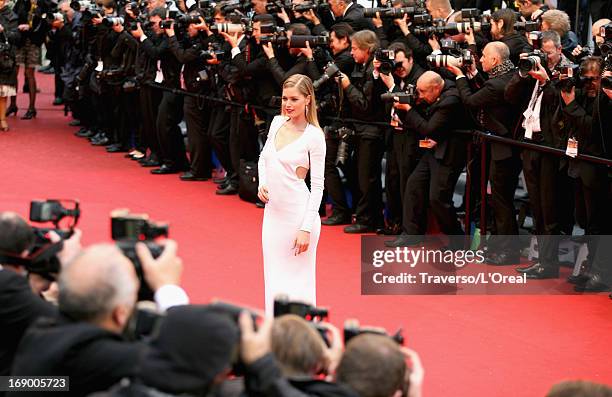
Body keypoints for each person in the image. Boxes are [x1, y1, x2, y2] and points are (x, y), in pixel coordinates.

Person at [257, 74, 326, 314]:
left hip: (299, 217)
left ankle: (302, 338)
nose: (288, 104)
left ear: (308, 100)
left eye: (294, 99)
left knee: (299, 283)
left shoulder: (314, 136)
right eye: (285, 98)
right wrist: (262, 184)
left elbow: (317, 186)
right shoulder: (277, 123)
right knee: (273, 279)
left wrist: (305, 228)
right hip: (273, 216)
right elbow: (263, 158)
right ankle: (274, 334)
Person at [0, 0, 18, 131]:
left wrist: (3, 30)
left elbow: (16, 37)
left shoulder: (11, 15)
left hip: (4, 57)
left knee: (2, 92)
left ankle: (2, 120)